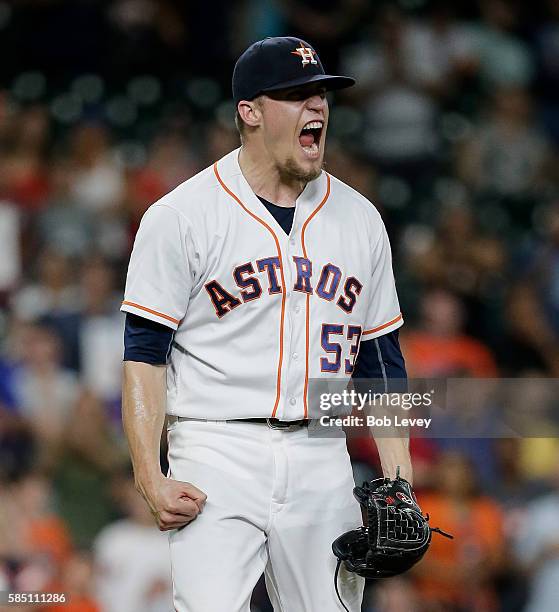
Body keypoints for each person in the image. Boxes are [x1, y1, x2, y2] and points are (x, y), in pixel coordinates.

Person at [121, 36, 409, 611]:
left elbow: (382, 361)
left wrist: (399, 484)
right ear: (249, 112)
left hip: (321, 452)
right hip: (214, 444)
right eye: (296, 95)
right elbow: (143, 355)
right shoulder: (181, 215)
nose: (317, 108)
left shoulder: (361, 219)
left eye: (321, 95)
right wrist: (149, 477)